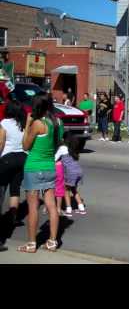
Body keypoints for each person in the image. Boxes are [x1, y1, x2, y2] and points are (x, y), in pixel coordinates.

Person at [17, 93, 62, 253]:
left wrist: (28, 124)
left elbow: (25, 146)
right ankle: (52, 241)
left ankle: (31, 244)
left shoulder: (37, 123)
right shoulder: (57, 123)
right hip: (49, 166)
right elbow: (57, 145)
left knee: (33, 207)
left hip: (34, 167)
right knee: (51, 205)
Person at [0, 100, 27, 250]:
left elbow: (1, 142)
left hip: (7, 159)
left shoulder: (5, 123)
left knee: (1, 190)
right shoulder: (22, 124)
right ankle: (13, 217)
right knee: (15, 189)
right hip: (22, 158)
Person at [59, 134, 86, 217]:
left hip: (70, 173)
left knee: (66, 190)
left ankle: (68, 209)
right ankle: (81, 208)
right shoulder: (74, 149)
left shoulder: (62, 148)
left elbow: (55, 158)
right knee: (74, 190)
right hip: (78, 172)